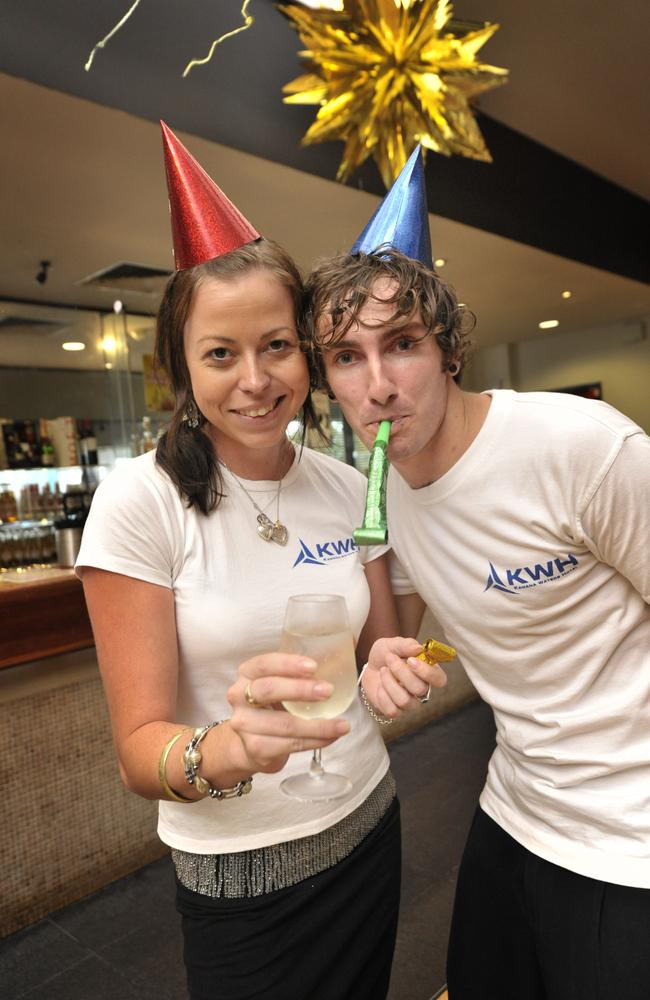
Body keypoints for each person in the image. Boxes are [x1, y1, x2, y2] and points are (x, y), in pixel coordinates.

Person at [76, 124, 440, 1000]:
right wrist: (229, 748)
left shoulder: (347, 489)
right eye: (220, 354)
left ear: (308, 355)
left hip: (368, 823)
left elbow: (379, 655)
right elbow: (138, 754)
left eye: (276, 346)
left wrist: (402, 653)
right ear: (180, 367)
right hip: (240, 878)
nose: (255, 380)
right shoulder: (141, 501)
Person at [307, 146, 650, 1000]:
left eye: (403, 345)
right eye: (347, 357)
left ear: (449, 348)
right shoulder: (383, 493)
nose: (379, 384)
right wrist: (389, 658)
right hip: (514, 807)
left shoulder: (583, 446)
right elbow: (405, 643)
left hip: (630, 836)